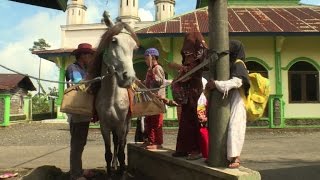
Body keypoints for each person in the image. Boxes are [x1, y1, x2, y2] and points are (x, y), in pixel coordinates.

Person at [205, 40, 250, 168]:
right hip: (231, 99)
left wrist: (217, 84)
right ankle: (223, 157)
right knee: (224, 128)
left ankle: (236, 158)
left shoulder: (238, 64)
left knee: (235, 127)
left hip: (238, 100)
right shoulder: (231, 65)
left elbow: (237, 82)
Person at [172, 32, 208, 160]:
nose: (186, 55)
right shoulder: (188, 62)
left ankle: (195, 149)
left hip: (194, 93)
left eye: (189, 53)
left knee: (192, 121)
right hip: (186, 95)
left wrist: (181, 70)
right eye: (185, 53)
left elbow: (190, 77)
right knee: (184, 122)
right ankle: (183, 149)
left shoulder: (199, 62)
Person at [66, 43, 95, 180]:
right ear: (82, 55)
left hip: (84, 111)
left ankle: (78, 169)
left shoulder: (85, 69)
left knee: (81, 142)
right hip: (76, 110)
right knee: (77, 143)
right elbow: (79, 83)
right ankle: (75, 174)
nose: (90, 57)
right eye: (88, 55)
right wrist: (92, 77)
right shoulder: (73, 68)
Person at [143, 48, 166, 150]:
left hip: (157, 99)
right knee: (149, 121)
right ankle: (150, 139)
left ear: (151, 57)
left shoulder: (157, 68)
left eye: (146, 58)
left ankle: (158, 142)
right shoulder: (149, 69)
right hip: (150, 99)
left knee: (156, 122)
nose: (145, 61)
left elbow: (160, 82)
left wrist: (153, 74)